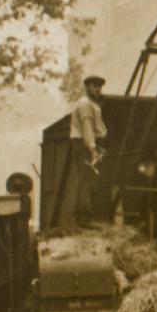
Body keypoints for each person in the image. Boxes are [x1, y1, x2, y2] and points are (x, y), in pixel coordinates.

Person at [69, 75, 109, 225]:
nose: (98, 89)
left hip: (86, 143)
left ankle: (81, 217)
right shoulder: (85, 104)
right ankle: (84, 219)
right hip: (83, 144)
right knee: (85, 180)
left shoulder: (92, 105)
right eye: (95, 85)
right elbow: (87, 128)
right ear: (87, 86)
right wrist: (92, 148)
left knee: (86, 179)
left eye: (100, 86)